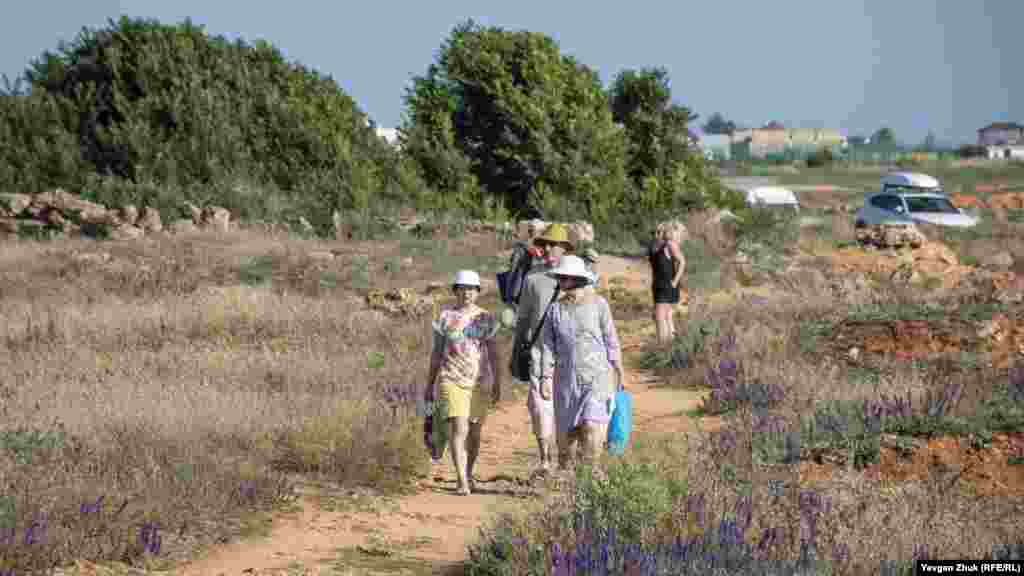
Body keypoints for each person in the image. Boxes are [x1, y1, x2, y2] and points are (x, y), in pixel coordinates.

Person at [540, 255, 626, 470]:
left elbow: (610, 338)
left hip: (597, 378)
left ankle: (592, 474)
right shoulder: (554, 310)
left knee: (591, 426)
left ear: (578, 279)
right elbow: (548, 346)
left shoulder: (599, 304)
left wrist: (618, 369)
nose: (562, 281)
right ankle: (571, 482)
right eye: (560, 277)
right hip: (566, 382)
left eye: (566, 277)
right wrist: (545, 377)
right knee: (567, 442)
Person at [424, 270, 501, 495]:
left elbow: (495, 353)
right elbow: (436, 353)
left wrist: (497, 382)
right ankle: (461, 480)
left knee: (474, 433)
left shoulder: (486, 318)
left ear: (477, 292)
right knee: (459, 427)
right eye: (462, 288)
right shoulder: (445, 317)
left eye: (472, 288)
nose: (467, 293)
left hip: (478, 382)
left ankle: (468, 472)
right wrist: (429, 384)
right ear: (455, 290)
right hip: (451, 378)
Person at [512, 223, 574, 474]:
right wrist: (517, 350)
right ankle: (545, 460)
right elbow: (524, 318)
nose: (547, 248)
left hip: (569, 357)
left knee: (567, 407)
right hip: (538, 354)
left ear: (564, 249)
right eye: (544, 244)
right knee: (539, 407)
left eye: (553, 244)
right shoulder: (533, 279)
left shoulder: (578, 278)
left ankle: (566, 461)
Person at [648, 221, 687, 344]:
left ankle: (663, 348)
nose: (657, 234)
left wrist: (675, 282)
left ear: (666, 233)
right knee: (667, 318)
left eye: (660, 232)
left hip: (667, 286)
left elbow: (682, 262)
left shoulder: (669, 245)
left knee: (660, 317)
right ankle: (671, 350)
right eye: (655, 232)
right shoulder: (654, 247)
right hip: (658, 286)